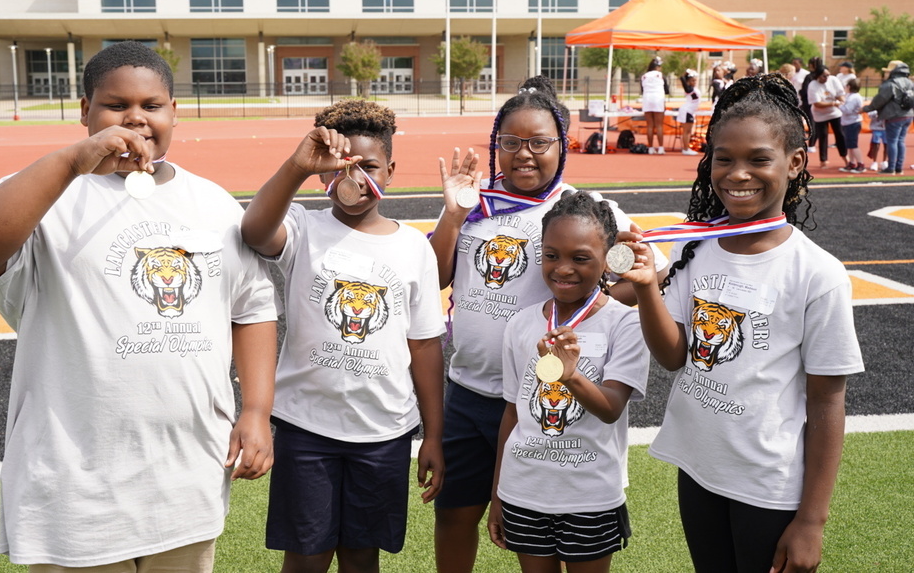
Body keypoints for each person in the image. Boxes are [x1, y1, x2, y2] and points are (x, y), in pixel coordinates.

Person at [0, 40, 279, 570]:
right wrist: (72, 163)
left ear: (175, 112)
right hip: (76, 488)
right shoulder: (45, 194)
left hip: (186, 479)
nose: (136, 119)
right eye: (116, 105)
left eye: (152, 105)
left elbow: (251, 306)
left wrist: (256, 410)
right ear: (85, 112)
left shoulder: (211, 202)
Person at [620, 73, 864, 572]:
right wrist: (647, 287)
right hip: (701, 467)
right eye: (723, 159)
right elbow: (673, 357)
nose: (737, 174)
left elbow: (826, 399)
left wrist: (812, 521)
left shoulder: (818, 274)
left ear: (795, 164)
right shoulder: (696, 247)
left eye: (758, 159)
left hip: (769, 484)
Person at [430, 75, 668, 573]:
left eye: (540, 143)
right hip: (470, 387)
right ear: (496, 145)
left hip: (539, 396)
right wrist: (453, 217)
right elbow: (435, 275)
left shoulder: (582, 207)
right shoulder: (477, 202)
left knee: (551, 517)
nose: (524, 154)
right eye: (511, 142)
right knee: (455, 513)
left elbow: (654, 266)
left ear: (563, 146)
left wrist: (596, 304)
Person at [240, 99, 446, 573]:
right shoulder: (302, 226)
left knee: (361, 556)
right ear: (321, 174)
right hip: (307, 427)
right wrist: (297, 165)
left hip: (384, 432)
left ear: (391, 171)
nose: (354, 180)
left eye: (368, 167)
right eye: (341, 167)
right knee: (306, 557)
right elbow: (254, 231)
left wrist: (433, 434)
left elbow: (426, 346)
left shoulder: (413, 246)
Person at [486, 191, 649, 572]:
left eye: (580, 258)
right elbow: (512, 413)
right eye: (551, 255)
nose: (563, 269)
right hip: (523, 490)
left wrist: (570, 375)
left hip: (590, 496)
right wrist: (498, 494)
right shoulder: (522, 323)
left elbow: (610, 408)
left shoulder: (624, 324)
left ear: (608, 261)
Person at [862, 59, 914, 175]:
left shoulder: (890, 84)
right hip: (908, 115)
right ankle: (899, 167)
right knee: (901, 141)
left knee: (892, 141)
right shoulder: (910, 82)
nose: (886, 73)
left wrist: (865, 109)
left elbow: (879, 100)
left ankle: (891, 168)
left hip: (894, 116)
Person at [807, 64, 848, 168]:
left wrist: (841, 101)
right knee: (823, 136)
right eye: (824, 76)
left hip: (835, 112)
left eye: (828, 75)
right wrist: (833, 103)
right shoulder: (813, 85)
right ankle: (823, 160)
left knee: (840, 134)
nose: (826, 78)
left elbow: (840, 94)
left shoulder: (833, 80)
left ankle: (845, 156)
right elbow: (817, 103)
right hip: (820, 114)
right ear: (818, 76)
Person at [640, 56, 670, 154]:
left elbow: (642, 89)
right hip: (658, 99)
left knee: (649, 125)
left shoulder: (644, 76)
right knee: (659, 125)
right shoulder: (661, 75)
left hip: (647, 99)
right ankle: (661, 148)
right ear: (658, 67)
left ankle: (650, 148)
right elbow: (667, 90)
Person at [838, 78, 866, 172]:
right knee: (849, 145)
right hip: (849, 122)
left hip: (852, 123)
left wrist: (838, 105)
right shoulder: (851, 96)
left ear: (849, 86)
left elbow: (847, 110)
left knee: (853, 145)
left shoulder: (854, 97)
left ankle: (861, 164)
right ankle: (852, 163)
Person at [678, 69, 702, 155]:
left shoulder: (694, 88)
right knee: (687, 131)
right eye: (692, 80)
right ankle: (686, 149)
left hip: (690, 111)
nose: (694, 82)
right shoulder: (689, 89)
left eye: (695, 80)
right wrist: (684, 77)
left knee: (688, 131)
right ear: (688, 81)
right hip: (687, 111)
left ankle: (686, 148)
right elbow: (685, 85)